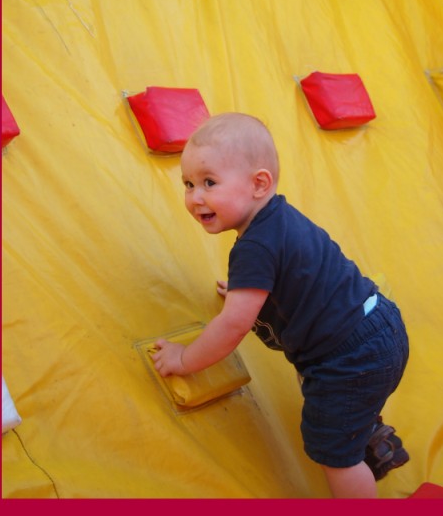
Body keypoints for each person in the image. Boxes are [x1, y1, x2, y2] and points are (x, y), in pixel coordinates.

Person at [150, 112, 410, 497]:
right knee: (337, 403)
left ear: (259, 184)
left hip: (349, 357)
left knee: (333, 454)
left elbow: (233, 326)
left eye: (209, 182)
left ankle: (355, 466)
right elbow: (301, 270)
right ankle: (368, 433)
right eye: (188, 184)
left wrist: (185, 359)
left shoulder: (254, 247)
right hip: (380, 325)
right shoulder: (280, 219)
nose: (195, 197)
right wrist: (246, 289)